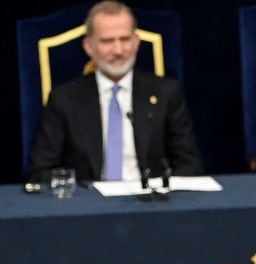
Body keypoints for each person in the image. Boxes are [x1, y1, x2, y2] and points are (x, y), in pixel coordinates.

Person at [27, 2, 202, 184]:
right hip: (88, 205)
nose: (118, 50)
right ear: (88, 46)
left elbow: (189, 164)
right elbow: (41, 170)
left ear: (136, 42)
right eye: (107, 41)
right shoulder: (64, 99)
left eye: (125, 39)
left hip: (151, 204)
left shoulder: (166, 93)